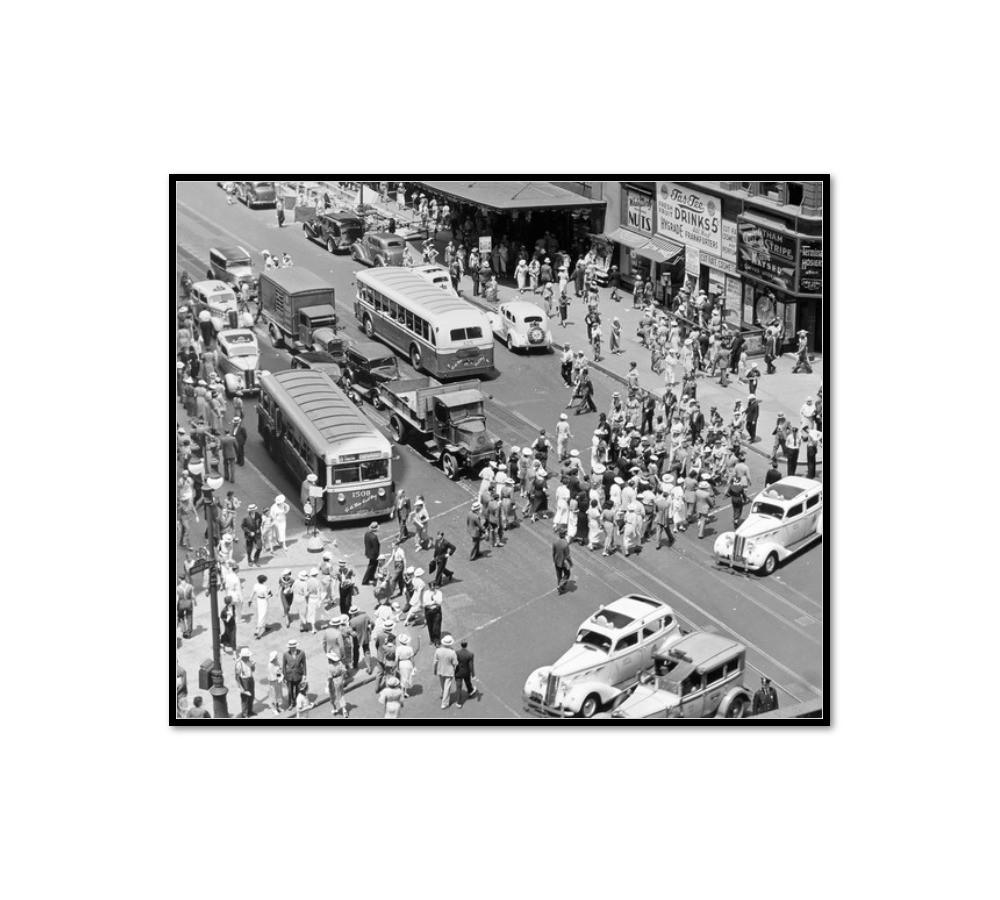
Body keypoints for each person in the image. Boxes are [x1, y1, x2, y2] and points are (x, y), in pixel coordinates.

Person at [433, 634, 459, 709]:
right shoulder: (452, 652)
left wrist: (434, 670)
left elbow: (435, 662)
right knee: (447, 687)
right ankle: (444, 703)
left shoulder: (438, 651)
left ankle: (443, 695)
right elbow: (455, 663)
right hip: (449, 671)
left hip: (440, 670)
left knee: (442, 685)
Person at [282, 638, 307, 708]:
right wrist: (283, 676)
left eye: (293, 647)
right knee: (290, 691)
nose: (292, 649)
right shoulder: (285, 654)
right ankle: (291, 703)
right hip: (289, 676)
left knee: (298, 689)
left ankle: (297, 702)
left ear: (296, 646)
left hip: (298, 674)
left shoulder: (301, 653)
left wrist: (304, 675)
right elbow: (283, 665)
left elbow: (304, 664)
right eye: (290, 647)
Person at [249, 573, 272, 639]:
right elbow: (267, 597)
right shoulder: (264, 587)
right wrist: (270, 594)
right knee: (262, 615)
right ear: (264, 581)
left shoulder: (255, 585)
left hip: (258, 600)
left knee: (261, 614)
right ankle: (258, 632)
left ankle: (265, 626)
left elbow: (252, 593)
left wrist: (250, 600)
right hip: (264, 601)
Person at [234, 647, 256, 718]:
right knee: (245, 698)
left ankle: (250, 711)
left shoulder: (248, 661)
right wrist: (240, 687)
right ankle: (244, 714)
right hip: (244, 681)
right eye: (247, 656)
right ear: (244, 656)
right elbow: (237, 677)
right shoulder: (239, 664)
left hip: (250, 679)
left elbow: (253, 670)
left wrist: (253, 665)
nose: (249, 657)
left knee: (251, 696)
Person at [455, 640, 477, 707]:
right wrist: (473, 675)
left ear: (461, 645)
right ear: (466, 645)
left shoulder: (456, 652)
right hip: (466, 672)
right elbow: (471, 666)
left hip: (458, 672)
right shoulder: (470, 654)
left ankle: (458, 703)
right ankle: (470, 691)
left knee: (458, 687)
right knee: (468, 682)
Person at [327, 653, 349, 718]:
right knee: (341, 694)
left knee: (333, 696)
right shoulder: (340, 664)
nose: (328, 660)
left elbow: (329, 677)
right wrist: (343, 677)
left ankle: (337, 709)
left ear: (331, 660)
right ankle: (342, 710)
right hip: (340, 680)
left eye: (329, 659)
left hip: (333, 682)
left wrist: (328, 684)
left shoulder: (330, 667)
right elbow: (344, 670)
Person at [552, 526, 572, 594]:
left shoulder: (555, 542)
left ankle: (560, 588)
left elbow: (553, 552)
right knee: (567, 574)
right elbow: (567, 555)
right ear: (564, 534)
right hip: (564, 562)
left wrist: (554, 560)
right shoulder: (565, 544)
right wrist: (570, 563)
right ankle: (561, 585)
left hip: (557, 561)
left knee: (559, 575)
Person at [176, 574, 195, 639]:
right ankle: (189, 631)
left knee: (180, 617)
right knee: (189, 617)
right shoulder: (190, 586)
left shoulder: (177, 588)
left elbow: (177, 598)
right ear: (185, 578)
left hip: (181, 604)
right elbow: (193, 595)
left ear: (179, 579)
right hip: (189, 603)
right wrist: (195, 602)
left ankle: (184, 630)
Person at [266, 650, 283, 715]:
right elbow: (272, 676)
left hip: (278, 682)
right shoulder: (270, 665)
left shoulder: (277, 662)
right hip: (273, 683)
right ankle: (274, 709)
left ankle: (278, 707)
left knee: (279, 695)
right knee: (273, 696)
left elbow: (279, 670)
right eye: (276, 657)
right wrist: (278, 678)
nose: (277, 658)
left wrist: (280, 676)